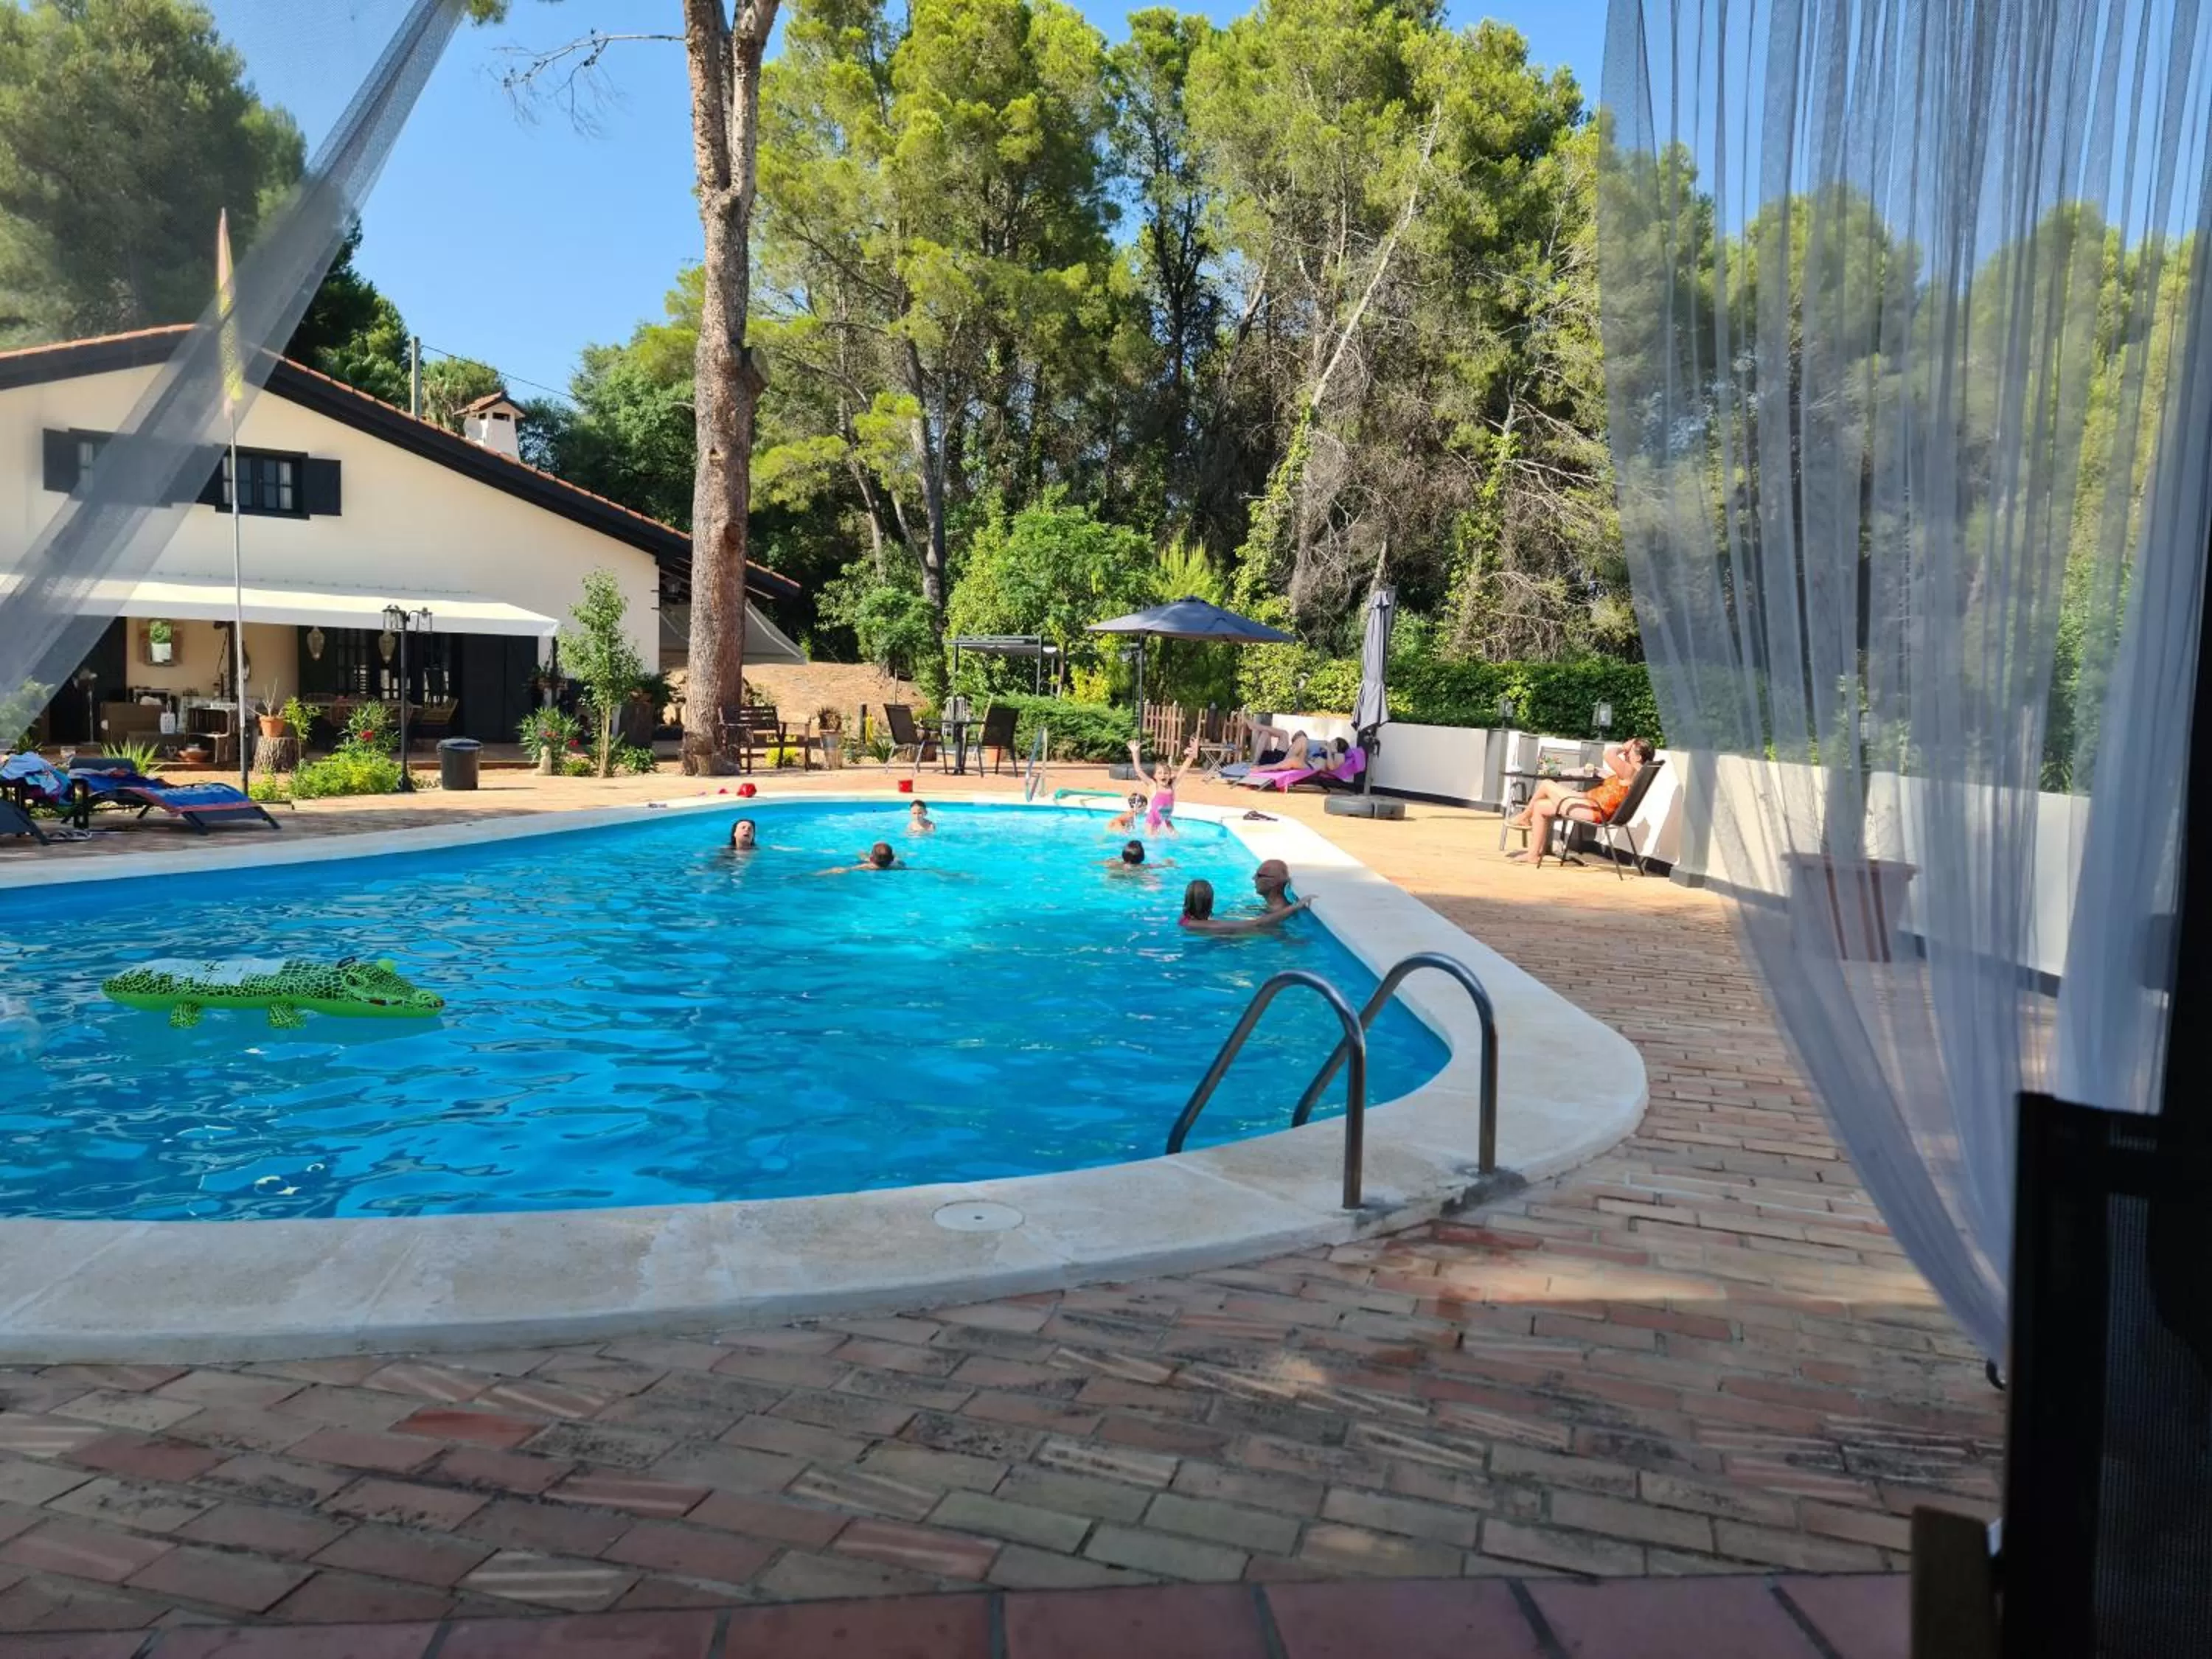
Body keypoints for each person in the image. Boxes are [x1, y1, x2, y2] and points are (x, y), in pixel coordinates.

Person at [1508, 737, 1655, 868]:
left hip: (1594, 809)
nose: (1625, 753)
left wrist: (1623, 747)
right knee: (1540, 806)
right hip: (1590, 801)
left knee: (1546, 784)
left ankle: (1524, 817)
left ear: (1639, 757)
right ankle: (1533, 854)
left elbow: (1607, 754)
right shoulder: (1638, 772)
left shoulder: (1630, 770)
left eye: (1629, 751)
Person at [1179, 863, 1312, 934]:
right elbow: (1256, 924)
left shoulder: (1183, 920)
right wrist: (1294, 907)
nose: (1254, 878)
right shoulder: (1208, 925)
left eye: (1258, 875)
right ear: (1210, 904)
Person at [823, 841, 905, 873]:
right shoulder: (895, 866)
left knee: (861, 855)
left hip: (874, 862)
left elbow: (845, 869)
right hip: (889, 862)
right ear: (892, 858)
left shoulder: (868, 866)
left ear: (871, 858)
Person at [1106, 839, 1174, 872]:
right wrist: (1169, 863)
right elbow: (1160, 866)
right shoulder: (1143, 867)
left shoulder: (1113, 864)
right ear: (1142, 857)